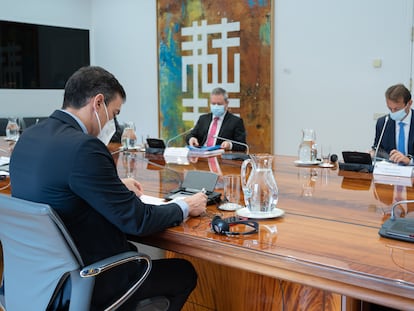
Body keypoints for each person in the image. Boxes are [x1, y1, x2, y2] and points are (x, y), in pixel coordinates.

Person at [9, 66, 207, 311]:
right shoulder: (85, 148)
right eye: (114, 113)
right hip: (86, 281)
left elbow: (57, 187)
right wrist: (185, 206)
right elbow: (138, 221)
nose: (112, 122)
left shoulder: (29, 136)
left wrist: (113, 187)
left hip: (35, 282)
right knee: (182, 272)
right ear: (98, 103)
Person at [186, 87, 247, 151]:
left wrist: (230, 145)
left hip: (220, 156)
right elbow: (191, 135)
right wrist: (191, 138)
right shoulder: (203, 119)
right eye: (213, 104)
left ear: (226, 103)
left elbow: (242, 146)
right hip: (201, 154)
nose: (216, 106)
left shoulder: (236, 121)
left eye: (219, 104)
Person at [372, 83, 414, 165]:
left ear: (409, 103)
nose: (393, 112)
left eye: (397, 109)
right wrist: (373, 154)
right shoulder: (383, 123)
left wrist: (409, 161)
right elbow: (379, 150)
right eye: (390, 108)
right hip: (390, 172)